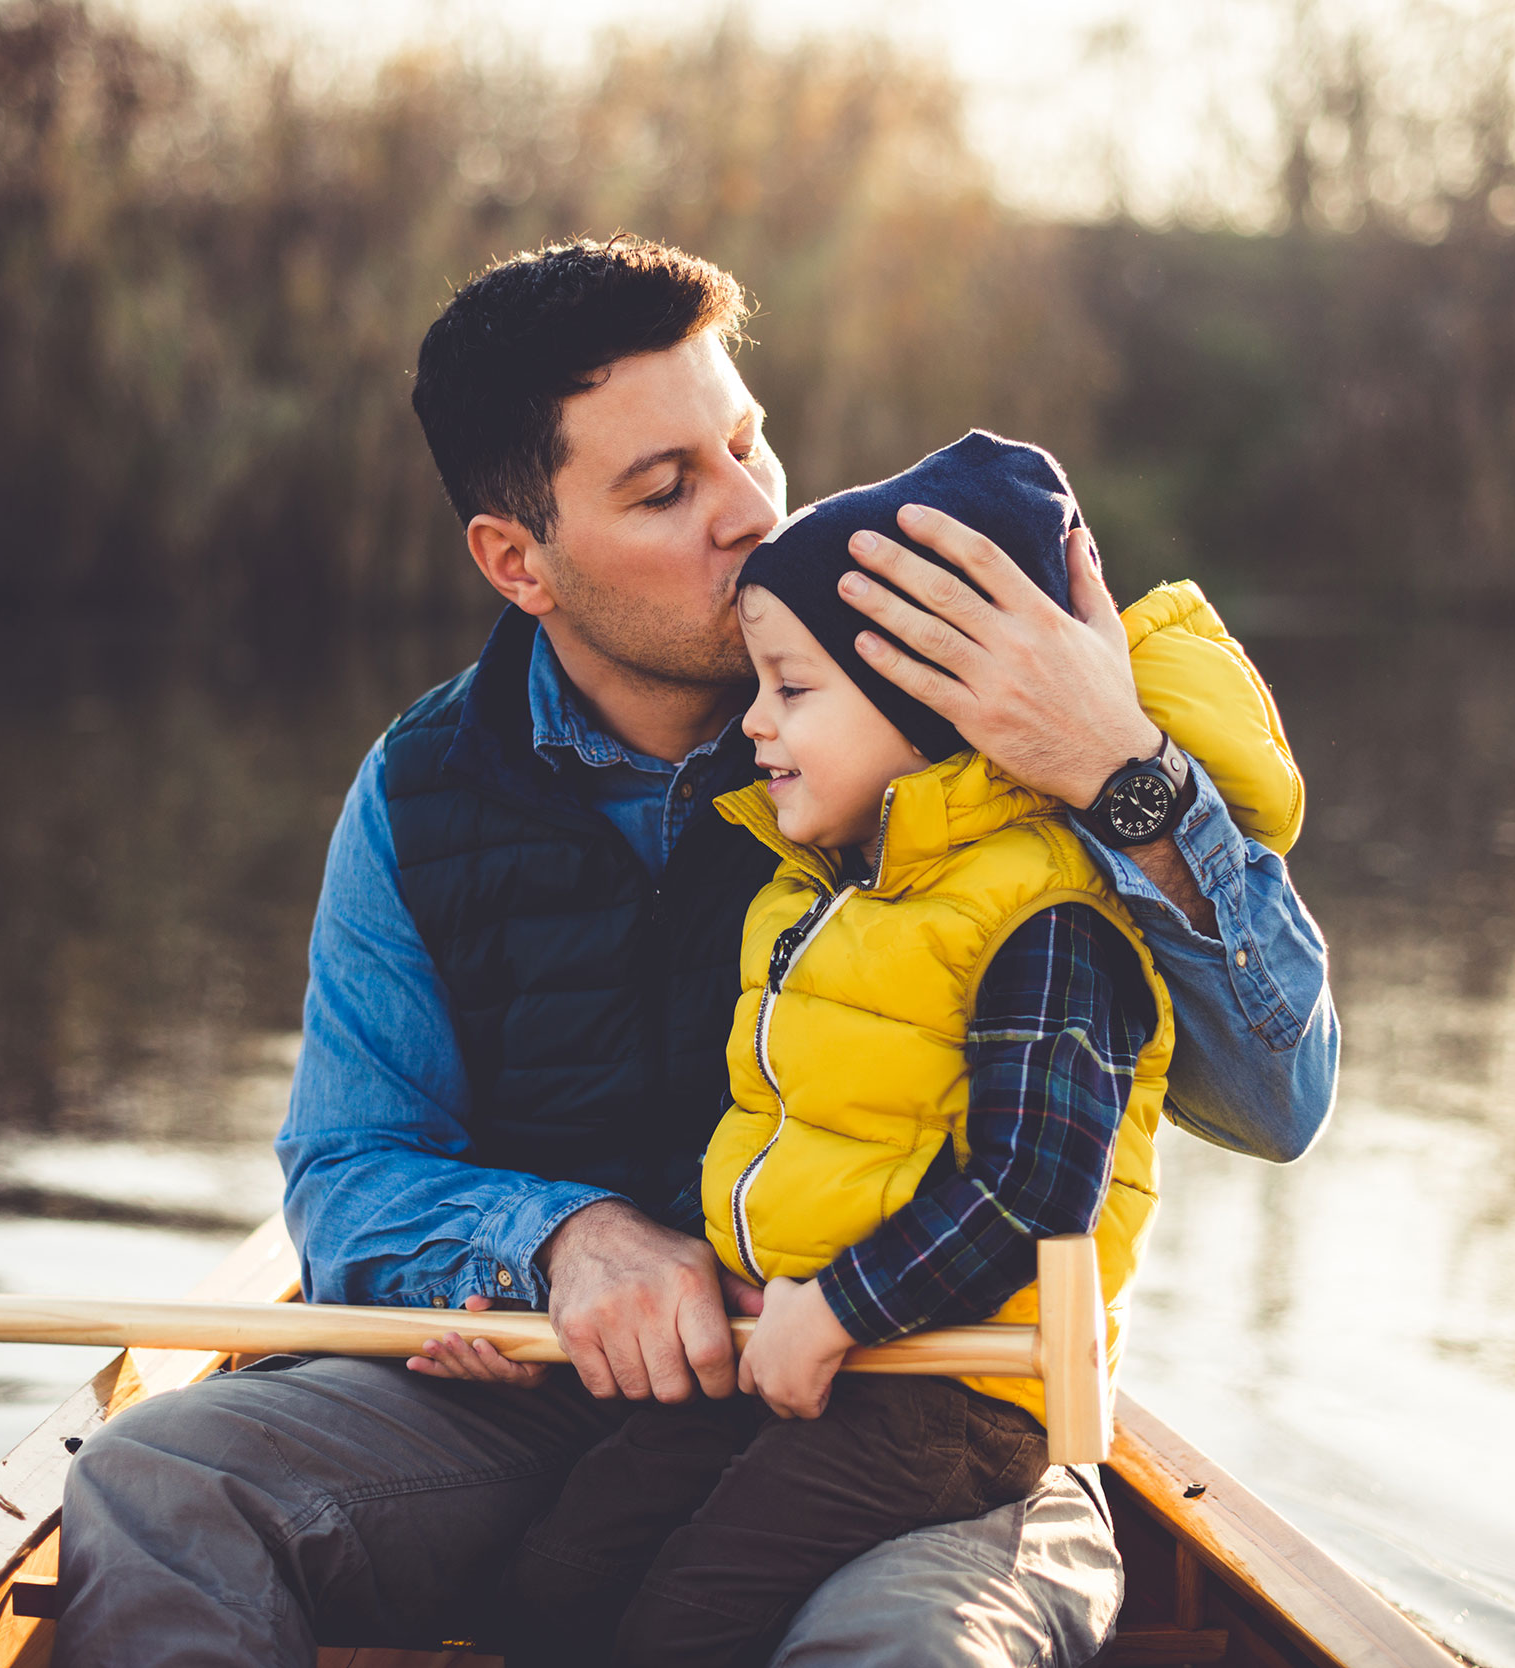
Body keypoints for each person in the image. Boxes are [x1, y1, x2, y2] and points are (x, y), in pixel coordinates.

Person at [54, 236, 1338, 1668]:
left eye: (746, 441)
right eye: (665, 489)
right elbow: (350, 1181)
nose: (748, 510)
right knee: (156, 1484)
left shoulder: (965, 717)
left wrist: (1123, 771)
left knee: (911, 1653)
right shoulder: (418, 795)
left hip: (928, 1409)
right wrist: (552, 1244)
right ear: (515, 560)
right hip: (549, 1418)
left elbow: (1275, 1105)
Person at [498, 431, 1304, 1668]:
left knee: (680, 1624)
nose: (753, 726)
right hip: (800, 1347)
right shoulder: (827, 886)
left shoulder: (1045, 914)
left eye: (793, 691)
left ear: (929, 708)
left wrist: (836, 1306)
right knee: (556, 1585)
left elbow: (1035, 1192)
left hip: (948, 1393)